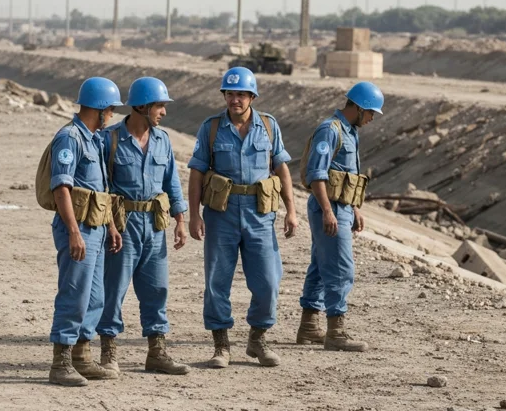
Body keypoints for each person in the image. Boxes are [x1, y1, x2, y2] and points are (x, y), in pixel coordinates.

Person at [187, 67, 298, 369]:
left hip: (260, 214)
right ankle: (221, 346)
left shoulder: (269, 126)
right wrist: (194, 216)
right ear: (224, 95)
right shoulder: (210, 128)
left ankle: (257, 339)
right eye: (230, 94)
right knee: (217, 281)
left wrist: (291, 210)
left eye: (241, 94)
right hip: (221, 215)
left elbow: (282, 168)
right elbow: (197, 173)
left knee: (268, 281)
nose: (235, 100)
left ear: (252, 96)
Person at [96, 77, 190, 376]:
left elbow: (172, 182)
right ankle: (108, 350)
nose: (163, 112)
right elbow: (102, 187)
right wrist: (110, 225)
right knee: (114, 289)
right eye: (159, 105)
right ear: (141, 106)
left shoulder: (162, 140)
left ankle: (157, 351)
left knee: (157, 288)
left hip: (155, 223)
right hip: (123, 225)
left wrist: (180, 219)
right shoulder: (109, 139)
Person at [46, 77, 124, 387]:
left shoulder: (94, 138)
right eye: (112, 109)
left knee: (95, 297)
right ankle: (60, 362)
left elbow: (97, 191)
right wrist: (74, 232)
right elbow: (61, 188)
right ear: (102, 108)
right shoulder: (70, 138)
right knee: (74, 295)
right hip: (77, 230)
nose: (113, 116)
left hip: (97, 228)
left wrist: (112, 226)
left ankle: (81, 357)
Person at [295, 82, 384, 352]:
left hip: (341, 207)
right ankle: (336, 332)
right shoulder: (330, 130)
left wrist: (354, 208)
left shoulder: (351, 132)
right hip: (329, 208)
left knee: (321, 267)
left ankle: (309, 328)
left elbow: (347, 176)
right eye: (369, 113)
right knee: (341, 270)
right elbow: (317, 174)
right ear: (356, 107)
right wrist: (327, 211)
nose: (371, 119)